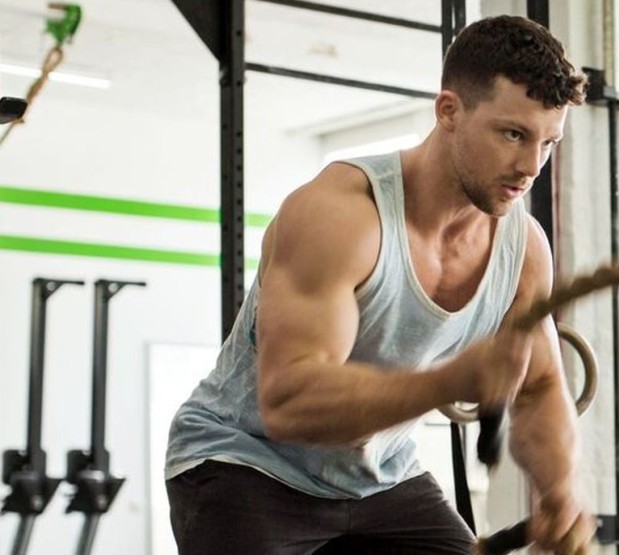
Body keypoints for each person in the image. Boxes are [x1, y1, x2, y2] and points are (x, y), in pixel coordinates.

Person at [164, 15, 594, 555]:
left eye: (547, 143)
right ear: (449, 111)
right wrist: (449, 380)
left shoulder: (522, 250)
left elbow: (538, 387)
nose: (531, 166)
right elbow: (290, 402)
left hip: (381, 480)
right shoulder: (342, 216)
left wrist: (558, 490)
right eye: (513, 134)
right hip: (247, 464)